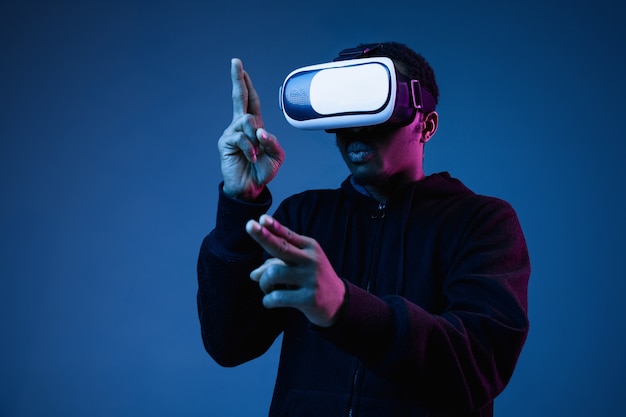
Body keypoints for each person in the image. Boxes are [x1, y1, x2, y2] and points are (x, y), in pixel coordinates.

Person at [196, 41, 530, 417]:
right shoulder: (303, 218)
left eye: (373, 105)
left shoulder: (482, 224)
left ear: (427, 125)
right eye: (343, 111)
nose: (355, 128)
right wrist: (239, 202)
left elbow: (477, 368)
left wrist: (343, 306)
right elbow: (229, 343)